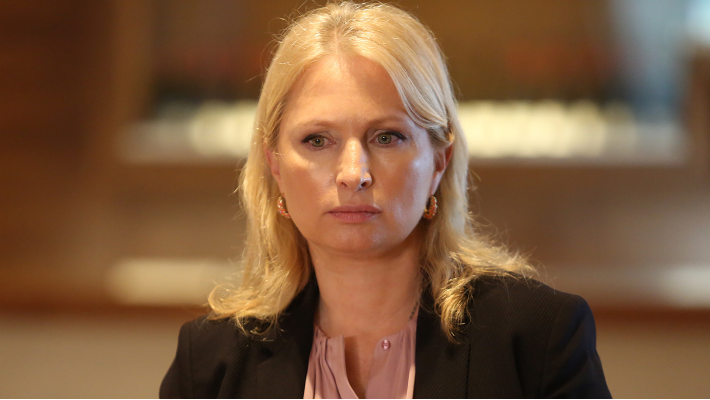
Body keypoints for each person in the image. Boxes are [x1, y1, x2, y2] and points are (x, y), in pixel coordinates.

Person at [160, 2, 611, 398]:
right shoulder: (210, 362)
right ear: (274, 163)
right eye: (317, 140)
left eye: (387, 137)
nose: (353, 174)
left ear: (439, 160)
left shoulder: (536, 338)